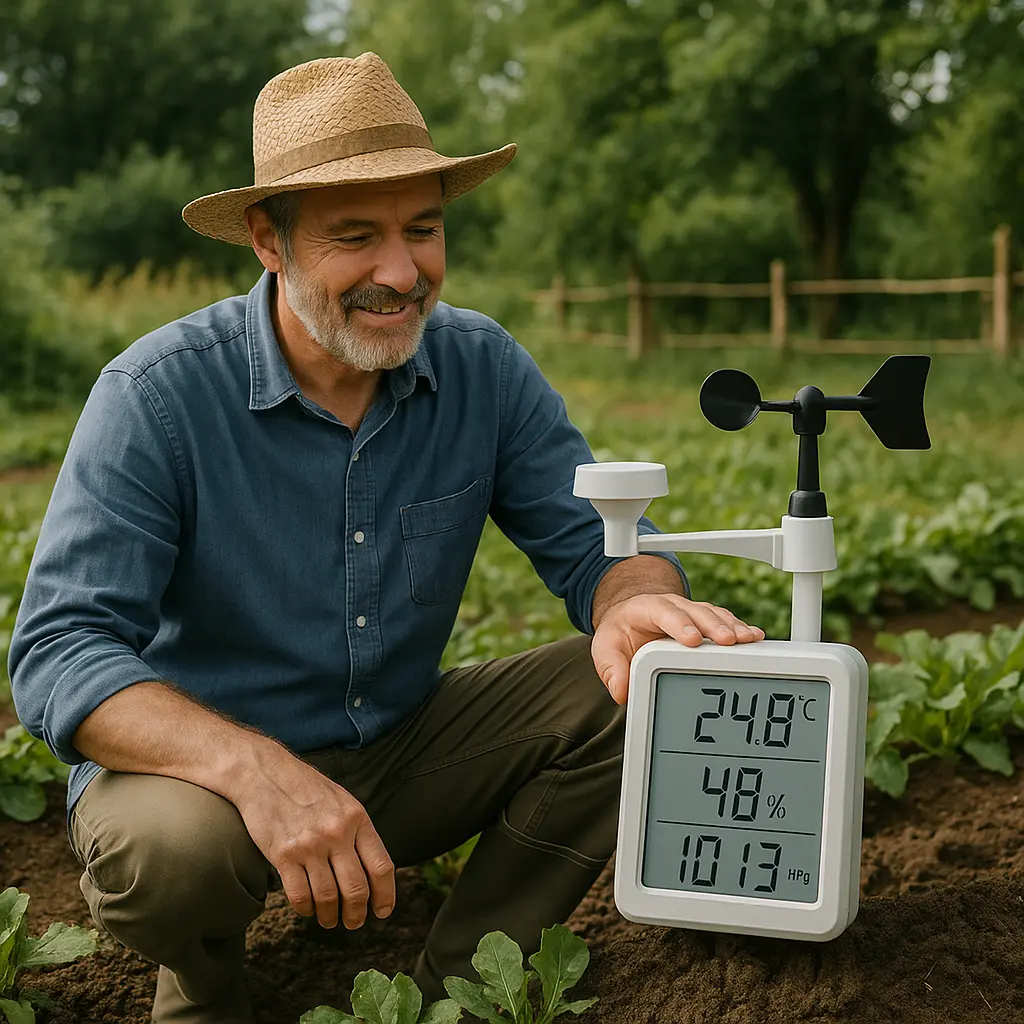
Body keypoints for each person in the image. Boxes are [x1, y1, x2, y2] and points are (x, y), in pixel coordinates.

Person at [9, 53, 763, 1023]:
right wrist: (257, 770)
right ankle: (206, 986)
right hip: (209, 785)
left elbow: (599, 544)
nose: (402, 273)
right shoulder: (156, 398)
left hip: (400, 750)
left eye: (423, 229)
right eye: (356, 235)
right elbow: (59, 651)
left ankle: (465, 986)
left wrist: (637, 599)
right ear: (268, 240)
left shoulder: (482, 367)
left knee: (643, 682)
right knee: (170, 854)